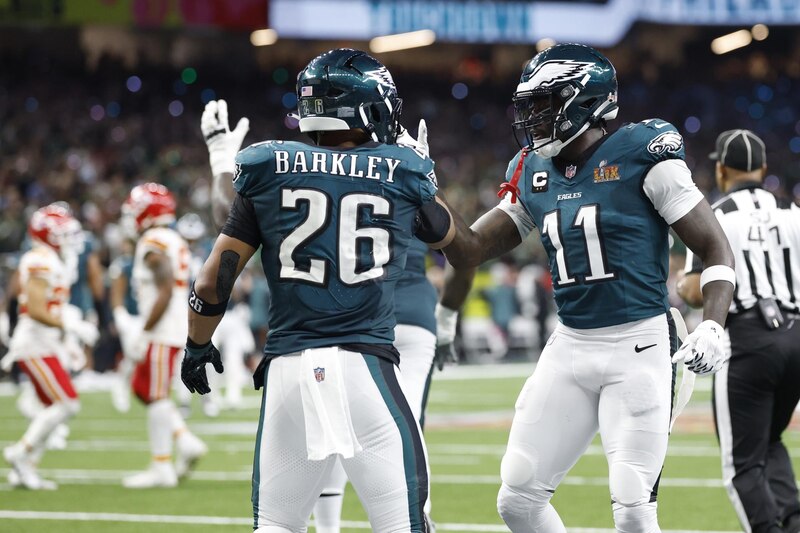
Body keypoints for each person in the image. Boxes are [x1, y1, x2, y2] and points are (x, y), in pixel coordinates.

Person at [437, 43, 736, 532]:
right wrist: (423, 182)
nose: (532, 117)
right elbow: (467, 248)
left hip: (639, 342)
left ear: (583, 100)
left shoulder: (643, 152)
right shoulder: (533, 170)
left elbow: (714, 246)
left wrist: (714, 326)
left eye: (543, 103)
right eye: (529, 104)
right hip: (571, 343)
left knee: (633, 506)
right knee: (517, 497)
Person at [183, 48, 454, 533]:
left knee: (276, 525)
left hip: (288, 367)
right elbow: (462, 245)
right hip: (364, 361)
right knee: (403, 525)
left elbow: (212, 279)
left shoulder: (270, 166)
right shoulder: (400, 170)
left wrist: (197, 344)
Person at [677, 129, 800, 533]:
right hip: (795, 336)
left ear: (720, 169)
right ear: (762, 169)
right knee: (769, 440)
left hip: (748, 340)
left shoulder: (716, 213)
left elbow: (698, 291)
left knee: (740, 466)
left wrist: (681, 284)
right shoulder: (793, 212)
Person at [2, 204, 98, 489]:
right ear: (47, 234)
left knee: (55, 406)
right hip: (34, 344)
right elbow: (35, 309)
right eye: (63, 233)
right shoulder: (38, 260)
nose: (68, 239)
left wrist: (68, 342)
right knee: (66, 403)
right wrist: (71, 327)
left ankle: (25, 469)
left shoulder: (51, 260)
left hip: (46, 343)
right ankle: (20, 454)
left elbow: (52, 308)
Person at [119, 183, 207, 489]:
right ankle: (184, 440)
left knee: (155, 396)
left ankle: (161, 467)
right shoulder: (174, 239)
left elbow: (166, 289)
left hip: (162, 330)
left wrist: (143, 332)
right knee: (143, 389)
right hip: (172, 328)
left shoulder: (153, 241)